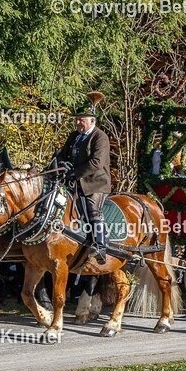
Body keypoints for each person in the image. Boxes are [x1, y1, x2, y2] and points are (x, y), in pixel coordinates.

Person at [55, 92, 112, 264]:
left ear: (92, 121)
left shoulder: (100, 137)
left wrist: (74, 173)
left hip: (95, 183)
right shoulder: (74, 136)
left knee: (92, 209)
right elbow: (62, 155)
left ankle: (100, 245)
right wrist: (62, 164)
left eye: (82, 120)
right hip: (72, 181)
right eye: (77, 119)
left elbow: (96, 162)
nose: (78, 123)